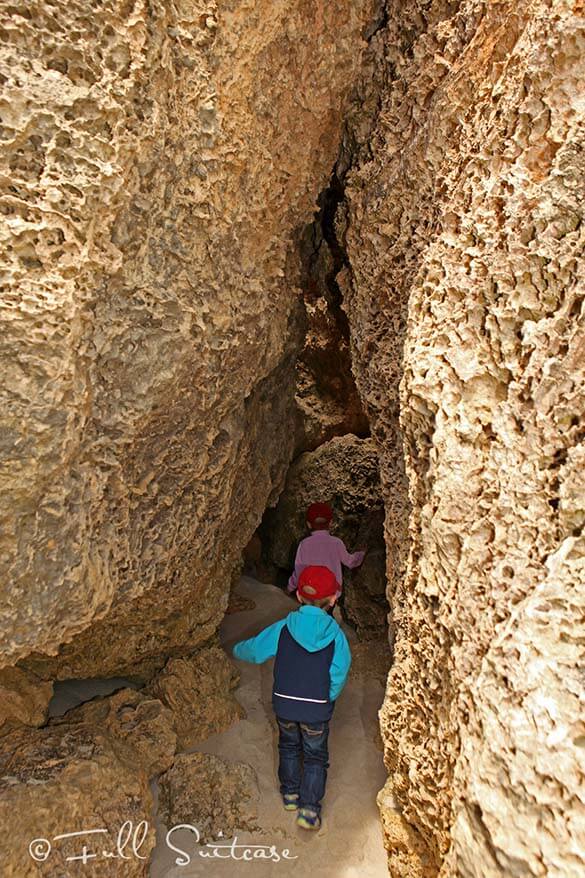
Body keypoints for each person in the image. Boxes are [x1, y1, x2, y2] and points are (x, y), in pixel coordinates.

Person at [232, 565, 351, 830]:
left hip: (284, 704)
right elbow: (340, 672)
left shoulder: (283, 628)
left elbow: (255, 650)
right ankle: (309, 810)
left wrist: (236, 649)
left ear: (298, 596)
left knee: (288, 746)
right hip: (316, 710)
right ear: (334, 599)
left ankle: (290, 793)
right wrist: (327, 697)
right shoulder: (337, 637)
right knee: (315, 756)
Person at [287, 502, 366, 610]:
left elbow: (299, 571)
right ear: (331, 523)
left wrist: (290, 587)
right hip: (330, 594)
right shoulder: (337, 543)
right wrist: (361, 554)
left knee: (309, 611)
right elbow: (350, 562)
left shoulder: (304, 544)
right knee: (327, 614)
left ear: (308, 524)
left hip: (310, 592)